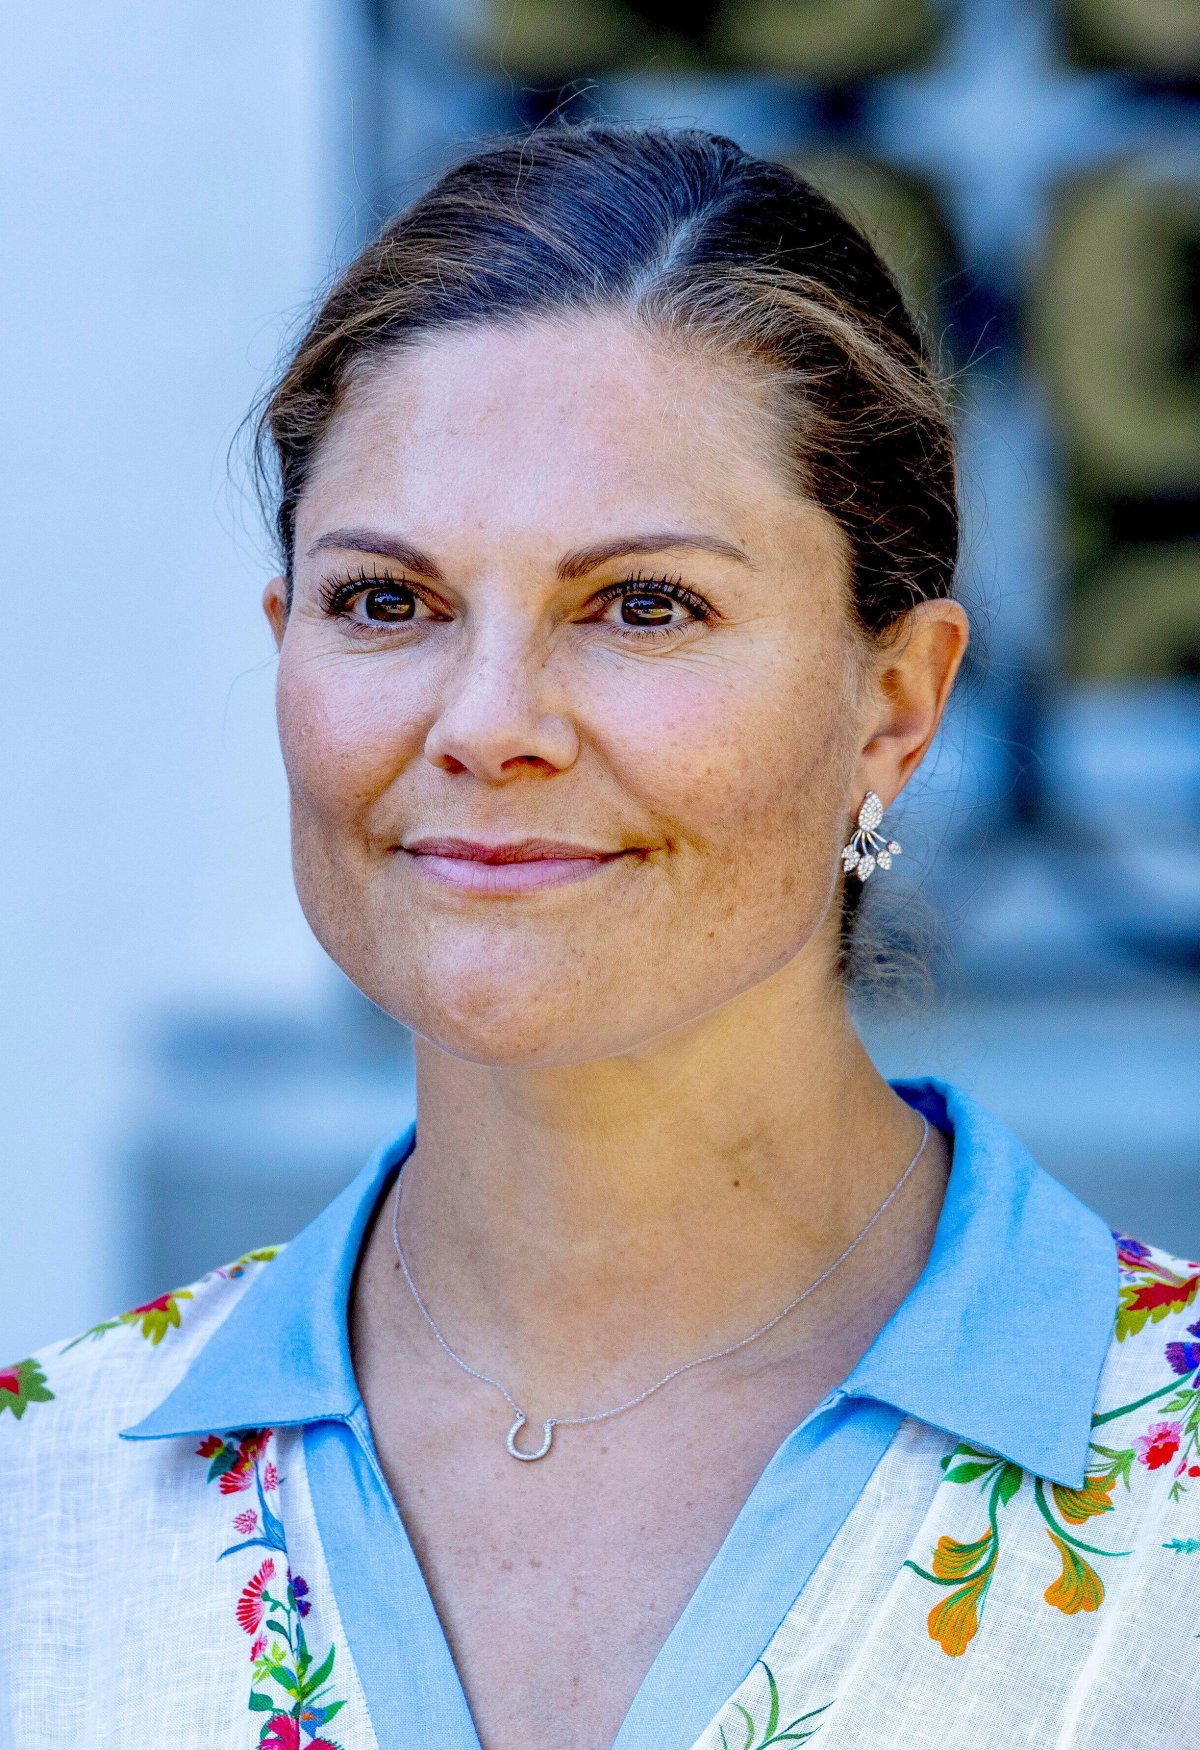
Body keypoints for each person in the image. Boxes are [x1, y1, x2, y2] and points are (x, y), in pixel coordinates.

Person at [2, 119, 1197, 1750]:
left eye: (645, 604)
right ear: (284, 650)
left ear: (895, 703)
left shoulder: (1169, 1490)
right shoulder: (43, 1504)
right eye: (387, 602)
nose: (487, 723)